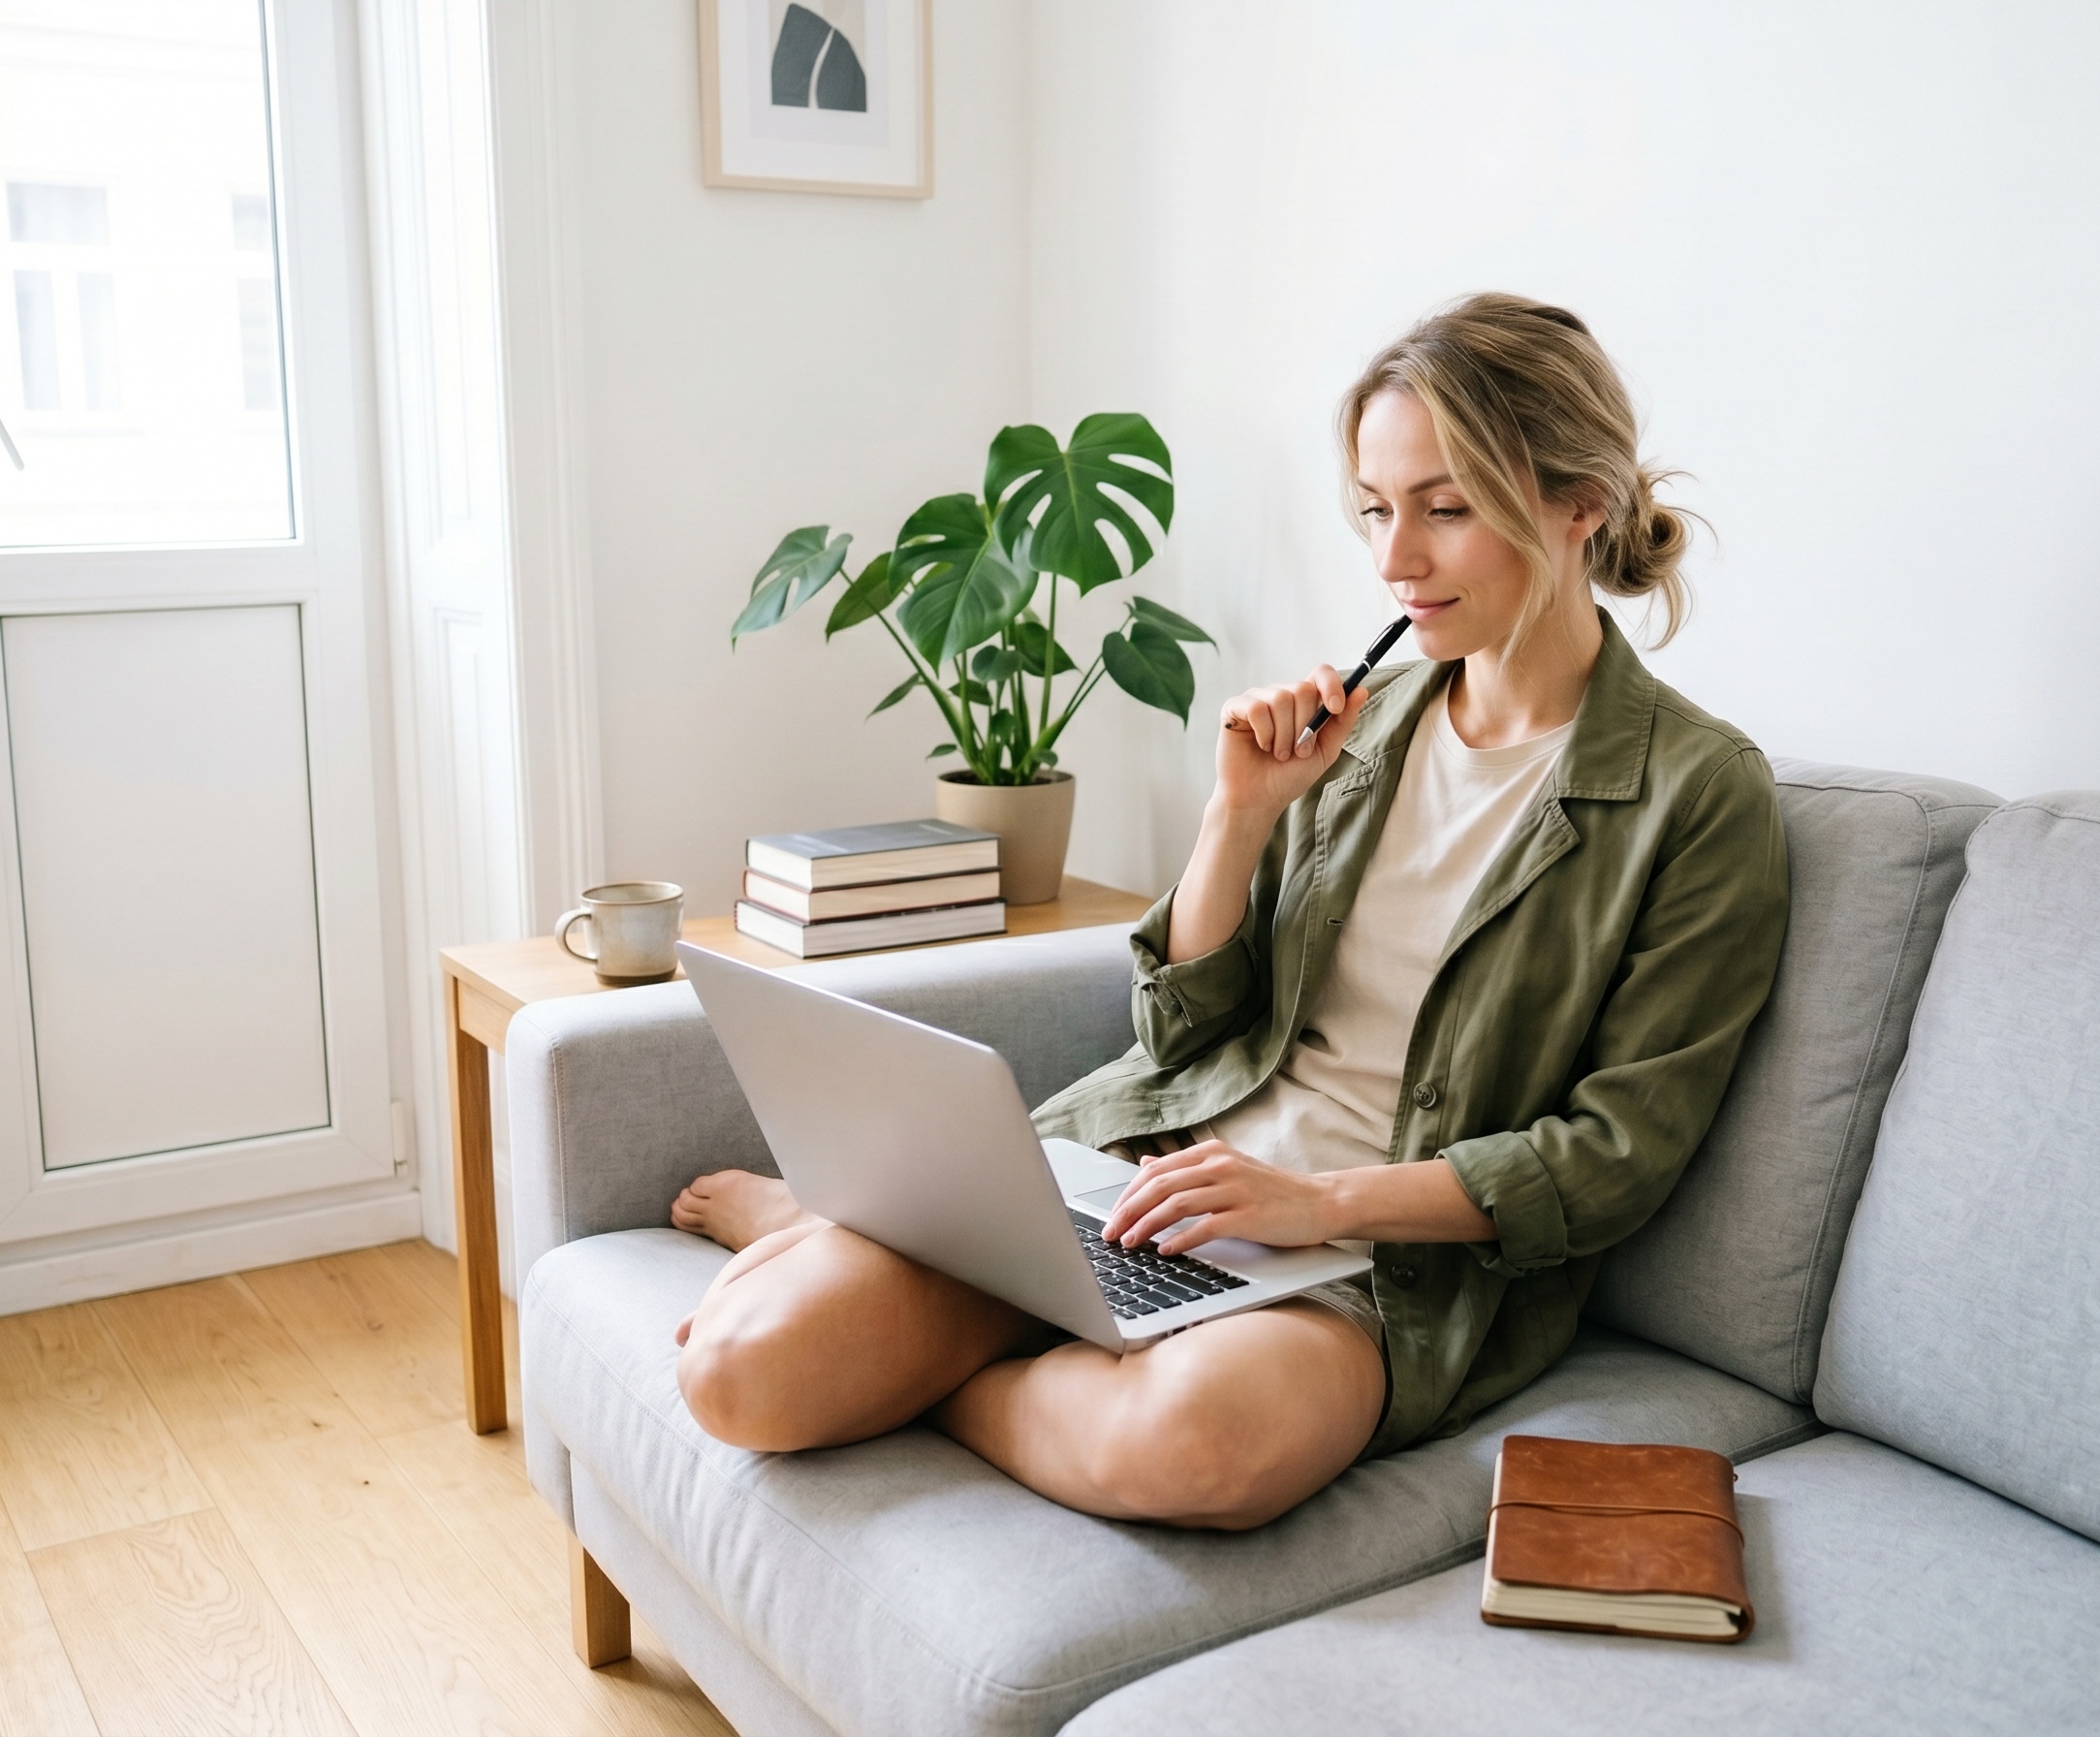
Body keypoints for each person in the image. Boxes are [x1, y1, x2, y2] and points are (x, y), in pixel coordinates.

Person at [668, 294, 1789, 1531]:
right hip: (1159, 1176)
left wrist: (1316, 1204)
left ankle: (903, 1316)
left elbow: (1615, 1155)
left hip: (1380, 1262)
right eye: (1375, 509)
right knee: (740, 1376)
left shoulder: (1698, 794)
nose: (1393, 560)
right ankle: (921, 1278)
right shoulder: (1360, 736)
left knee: (1196, 1448)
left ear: (1581, 505)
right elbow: (1182, 1031)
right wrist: (1239, 815)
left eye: (1446, 507)